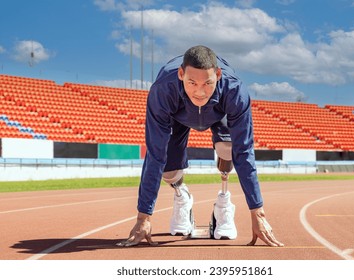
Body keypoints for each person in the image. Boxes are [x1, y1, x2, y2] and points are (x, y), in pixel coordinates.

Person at [117, 45, 284, 247]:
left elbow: (244, 151)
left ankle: (223, 204)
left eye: (208, 83)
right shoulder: (162, 91)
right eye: (192, 82)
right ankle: (182, 197)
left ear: (219, 75)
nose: (199, 91)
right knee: (169, 172)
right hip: (178, 114)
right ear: (180, 74)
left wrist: (258, 213)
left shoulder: (234, 90)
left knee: (228, 149)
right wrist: (143, 218)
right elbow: (155, 153)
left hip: (218, 112)